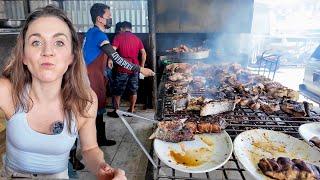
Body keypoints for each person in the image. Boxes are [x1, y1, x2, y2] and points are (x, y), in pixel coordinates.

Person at [0, 5, 126, 179]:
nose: (48, 52)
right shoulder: (7, 91)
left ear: (71, 56)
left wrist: (101, 168)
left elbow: (89, 149)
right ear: (23, 55)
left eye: (59, 42)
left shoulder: (85, 100)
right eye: (36, 42)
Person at [82, 3, 154, 146]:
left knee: (97, 110)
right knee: (90, 112)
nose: (110, 19)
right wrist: (140, 69)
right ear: (99, 19)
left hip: (94, 76)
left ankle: (100, 139)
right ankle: (84, 148)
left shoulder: (90, 32)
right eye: (108, 16)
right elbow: (117, 59)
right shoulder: (98, 34)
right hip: (91, 78)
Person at [107, 21, 146, 118]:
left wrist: (110, 60)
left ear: (122, 28)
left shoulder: (118, 37)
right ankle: (131, 110)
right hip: (135, 68)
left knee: (118, 90)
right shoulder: (137, 39)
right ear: (130, 28)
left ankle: (116, 111)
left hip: (123, 67)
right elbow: (144, 53)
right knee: (134, 90)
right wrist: (142, 66)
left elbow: (112, 50)